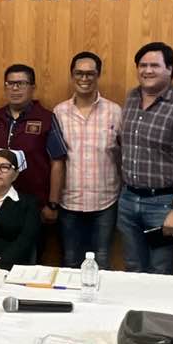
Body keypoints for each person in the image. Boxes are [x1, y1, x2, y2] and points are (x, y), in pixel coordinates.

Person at [117, 42, 173, 275]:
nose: (147, 70)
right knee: (133, 268)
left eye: (155, 65)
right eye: (142, 65)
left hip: (162, 204)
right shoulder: (132, 98)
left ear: (170, 69)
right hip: (128, 199)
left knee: (161, 271)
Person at [0, 64, 67, 260]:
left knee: (29, 260)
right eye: (10, 84)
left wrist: (52, 204)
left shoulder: (46, 119)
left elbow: (57, 162)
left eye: (21, 83)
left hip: (34, 207)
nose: (15, 88)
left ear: (32, 87)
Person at [53, 51, 121, 269]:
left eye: (90, 74)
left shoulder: (114, 111)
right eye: (79, 73)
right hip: (69, 201)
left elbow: (121, 155)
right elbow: (57, 159)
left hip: (105, 201)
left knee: (102, 260)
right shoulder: (60, 112)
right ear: (72, 75)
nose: (84, 78)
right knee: (70, 260)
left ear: (98, 75)